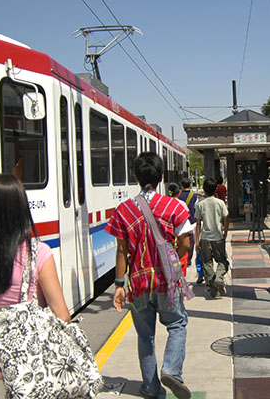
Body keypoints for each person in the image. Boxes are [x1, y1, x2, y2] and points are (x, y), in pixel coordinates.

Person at [0, 174, 70, 399]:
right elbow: (62, 315)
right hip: (38, 365)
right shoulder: (38, 253)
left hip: (1, 368)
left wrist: (2, 348)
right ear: (21, 209)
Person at [105, 152, 192, 399]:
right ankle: (172, 371)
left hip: (139, 283)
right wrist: (171, 259)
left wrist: (119, 284)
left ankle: (152, 388)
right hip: (166, 283)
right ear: (162, 177)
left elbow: (121, 250)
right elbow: (185, 241)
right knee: (177, 324)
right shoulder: (174, 206)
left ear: (135, 177)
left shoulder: (123, 210)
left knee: (145, 336)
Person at [195, 178, 229, 298]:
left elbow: (198, 223)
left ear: (204, 190)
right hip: (218, 236)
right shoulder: (220, 203)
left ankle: (212, 288)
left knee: (207, 263)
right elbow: (226, 217)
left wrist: (197, 241)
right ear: (215, 189)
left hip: (205, 238)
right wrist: (225, 232)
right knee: (222, 261)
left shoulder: (200, 204)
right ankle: (219, 278)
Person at [178, 178, 200, 282]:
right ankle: (189, 260)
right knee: (191, 241)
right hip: (191, 221)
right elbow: (196, 208)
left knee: (181, 241)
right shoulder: (194, 196)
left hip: (180, 221)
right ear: (190, 185)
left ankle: (182, 258)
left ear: (181, 185)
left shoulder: (178, 195)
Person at [168, 182, 190, 277]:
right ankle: (181, 280)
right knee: (182, 261)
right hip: (180, 237)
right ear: (179, 192)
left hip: (170, 238)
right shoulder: (182, 204)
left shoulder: (166, 203)